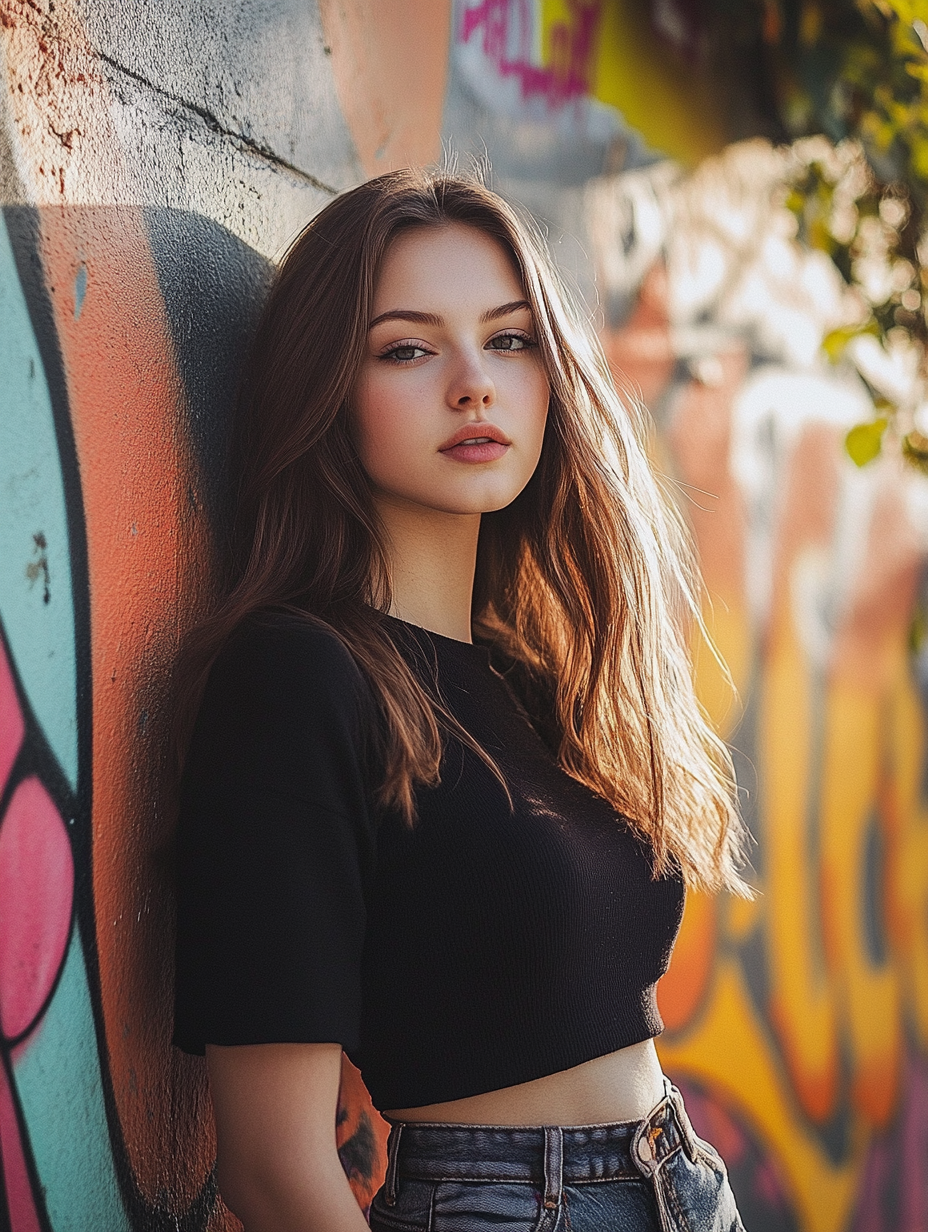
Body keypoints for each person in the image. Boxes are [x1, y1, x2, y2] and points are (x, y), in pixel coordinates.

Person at [172, 168, 749, 1232]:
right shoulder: (298, 677)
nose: (474, 382)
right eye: (407, 347)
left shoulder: (536, 670)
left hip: (683, 1182)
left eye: (510, 338)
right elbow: (272, 1167)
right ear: (327, 388)